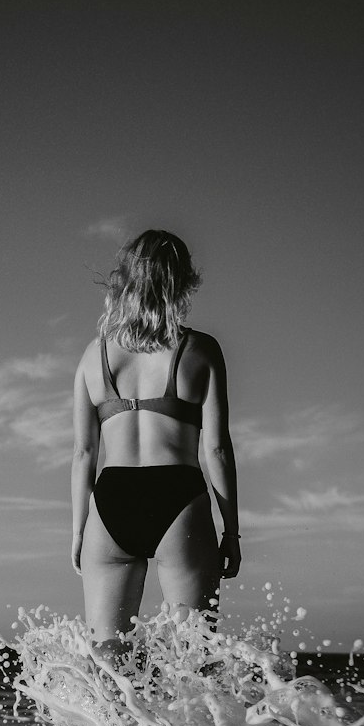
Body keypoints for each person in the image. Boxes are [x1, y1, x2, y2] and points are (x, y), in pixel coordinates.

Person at [70, 230, 240, 660]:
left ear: (124, 279)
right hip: (178, 496)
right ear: (182, 282)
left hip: (111, 501)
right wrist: (231, 530)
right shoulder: (200, 350)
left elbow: (83, 454)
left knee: (108, 661)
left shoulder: (95, 356)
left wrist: (79, 531)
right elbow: (216, 449)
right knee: (195, 658)